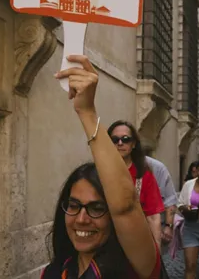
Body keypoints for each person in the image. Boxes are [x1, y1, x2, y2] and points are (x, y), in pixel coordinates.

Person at [41, 55, 161, 278]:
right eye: (73, 205)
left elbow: (126, 205)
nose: (81, 219)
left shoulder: (134, 265)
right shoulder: (56, 271)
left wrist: (86, 112)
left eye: (96, 208)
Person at [108, 120, 165, 244]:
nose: (120, 143)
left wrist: (156, 252)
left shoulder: (145, 177)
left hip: (135, 243)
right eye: (114, 139)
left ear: (133, 144)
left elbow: (153, 217)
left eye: (125, 139)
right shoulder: (99, 173)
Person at [146, 156, 178, 245]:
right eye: (115, 141)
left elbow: (170, 200)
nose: (120, 143)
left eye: (126, 141)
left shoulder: (157, 167)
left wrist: (168, 226)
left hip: (152, 229)